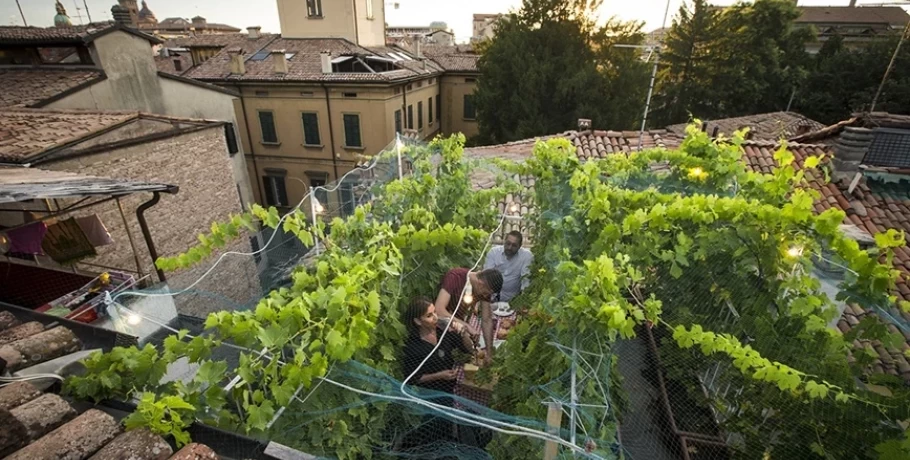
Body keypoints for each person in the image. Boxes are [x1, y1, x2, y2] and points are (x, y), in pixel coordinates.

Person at [400, 298, 474, 451]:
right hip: (429, 395)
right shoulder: (414, 347)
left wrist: (462, 332)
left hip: (448, 391)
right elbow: (412, 378)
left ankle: (444, 446)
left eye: (434, 312)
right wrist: (439, 375)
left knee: (446, 425)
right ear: (418, 321)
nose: (435, 317)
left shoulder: (442, 331)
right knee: (432, 428)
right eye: (429, 315)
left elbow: (468, 349)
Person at [433, 268, 502, 365]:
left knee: (472, 351)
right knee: (445, 359)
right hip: (439, 324)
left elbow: (486, 320)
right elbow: (439, 310)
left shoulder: (484, 289)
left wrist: (489, 353)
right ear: (481, 284)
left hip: (458, 325)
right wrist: (467, 326)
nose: (485, 296)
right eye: (486, 293)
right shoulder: (455, 277)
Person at [483, 231, 533, 303]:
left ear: (520, 246)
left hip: (513, 300)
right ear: (504, 241)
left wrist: (523, 301)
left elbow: (525, 280)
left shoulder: (526, 256)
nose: (510, 247)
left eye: (514, 245)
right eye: (508, 243)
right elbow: (487, 277)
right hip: (492, 297)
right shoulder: (494, 253)